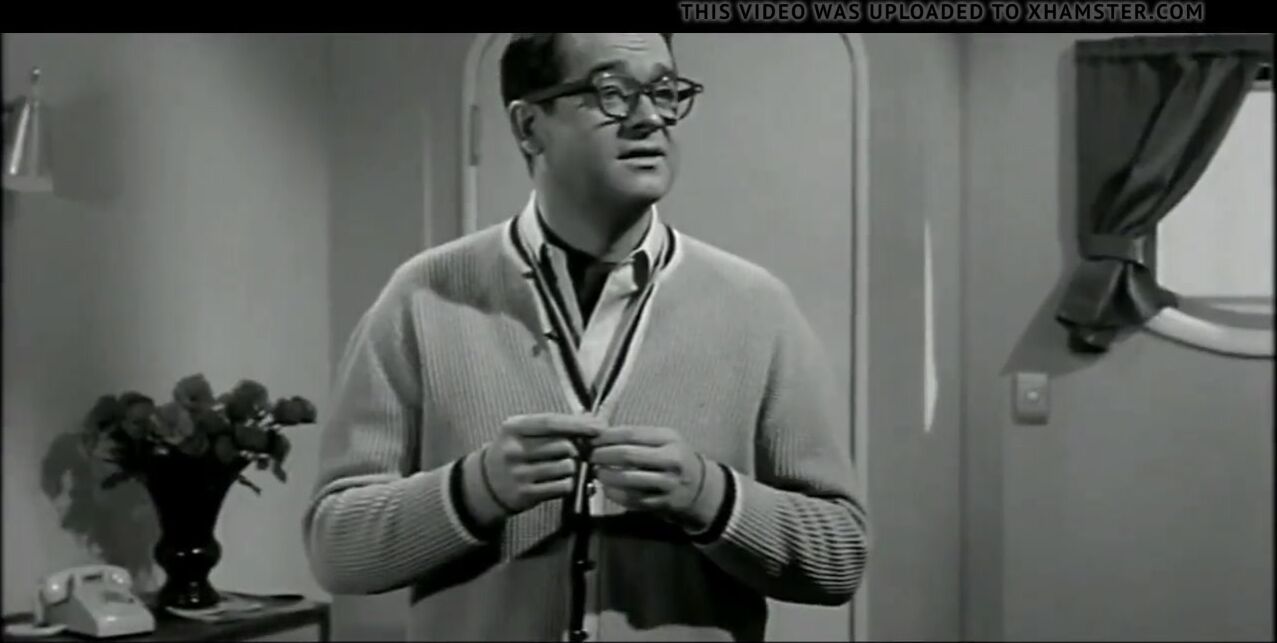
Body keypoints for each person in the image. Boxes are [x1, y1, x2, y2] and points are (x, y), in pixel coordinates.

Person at [303, 33, 870, 642]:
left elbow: (838, 558)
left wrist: (707, 495)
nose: (650, 118)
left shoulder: (757, 307)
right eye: (612, 92)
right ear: (529, 127)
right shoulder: (423, 298)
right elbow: (337, 551)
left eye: (664, 91)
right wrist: (477, 489)